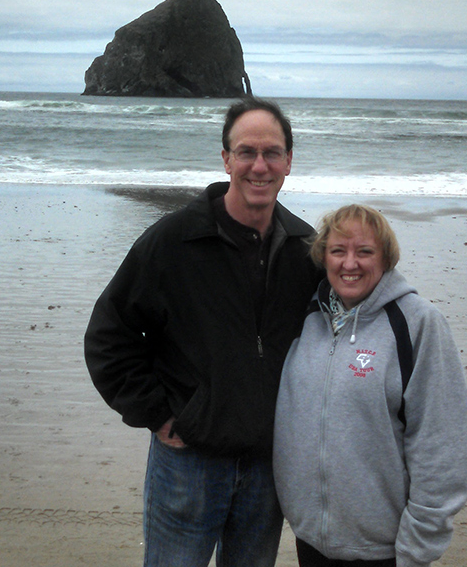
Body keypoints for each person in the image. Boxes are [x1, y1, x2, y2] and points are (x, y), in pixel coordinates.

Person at [85, 97, 323, 567]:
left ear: (289, 162)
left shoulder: (304, 250)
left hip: (266, 467)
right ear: (226, 159)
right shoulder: (173, 242)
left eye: (272, 152)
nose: (260, 165)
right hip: (188, 463)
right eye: (246, 152)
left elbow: (339, 331)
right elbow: (109, 336)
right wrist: (158, 414)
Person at [274, 205, 467, 567]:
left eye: (364, 252)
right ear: (324, 258)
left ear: (386, 258)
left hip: (386, 550)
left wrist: (418, 548)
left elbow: (444, 442)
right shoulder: (308, 318)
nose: (350, 264)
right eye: (338, 251)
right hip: (309, 540)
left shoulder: (418, 323)